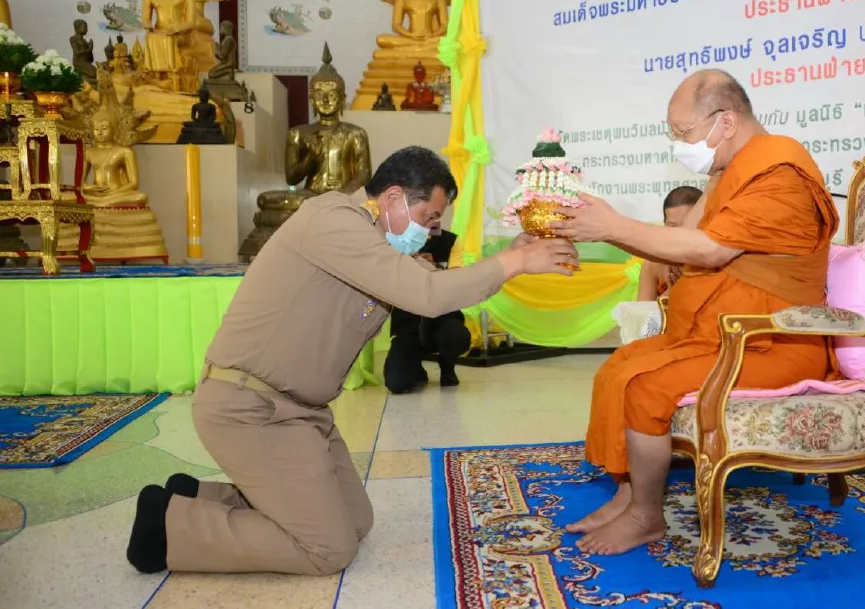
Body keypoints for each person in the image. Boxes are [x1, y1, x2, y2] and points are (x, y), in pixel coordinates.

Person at [126, 147, 577, 576]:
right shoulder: (334, 222)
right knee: (328, 549)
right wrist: (516, 263)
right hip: (248, 408)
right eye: (430, 218)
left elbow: (439, 284)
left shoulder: (375, 248)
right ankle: (167, 530)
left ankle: (193, 496)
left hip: (302, 413)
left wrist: (509, 255)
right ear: (394, 198)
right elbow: (429, 295)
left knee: (356, 522)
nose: (434, 231)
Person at [551, 69, 839, 555]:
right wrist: (609, 225)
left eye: (683, 132)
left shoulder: (779, 172)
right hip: (726, 332)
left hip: (775, 341)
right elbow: (688, 239)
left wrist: (613, 225)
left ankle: (647, 516)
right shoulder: (730, 169)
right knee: (620, 366)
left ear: (724, 121)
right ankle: (627, 496)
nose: (679, 144)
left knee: (646, 386)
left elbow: (708, 250)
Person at [383, 220, 471, 393]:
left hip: (443, 317)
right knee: (397, 384)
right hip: (408, 323)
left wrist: (435, 266)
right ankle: (416, 368)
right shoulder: (393, 240)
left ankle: (447, 366)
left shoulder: (450, 241)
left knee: (455, 336)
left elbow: (458, 279)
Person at [636, 185, 703, 301]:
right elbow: (644, 317)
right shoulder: (653, 264)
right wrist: (672, 291)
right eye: (673, 226)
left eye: (688, 225)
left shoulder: (718, 258)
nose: (679, 234)